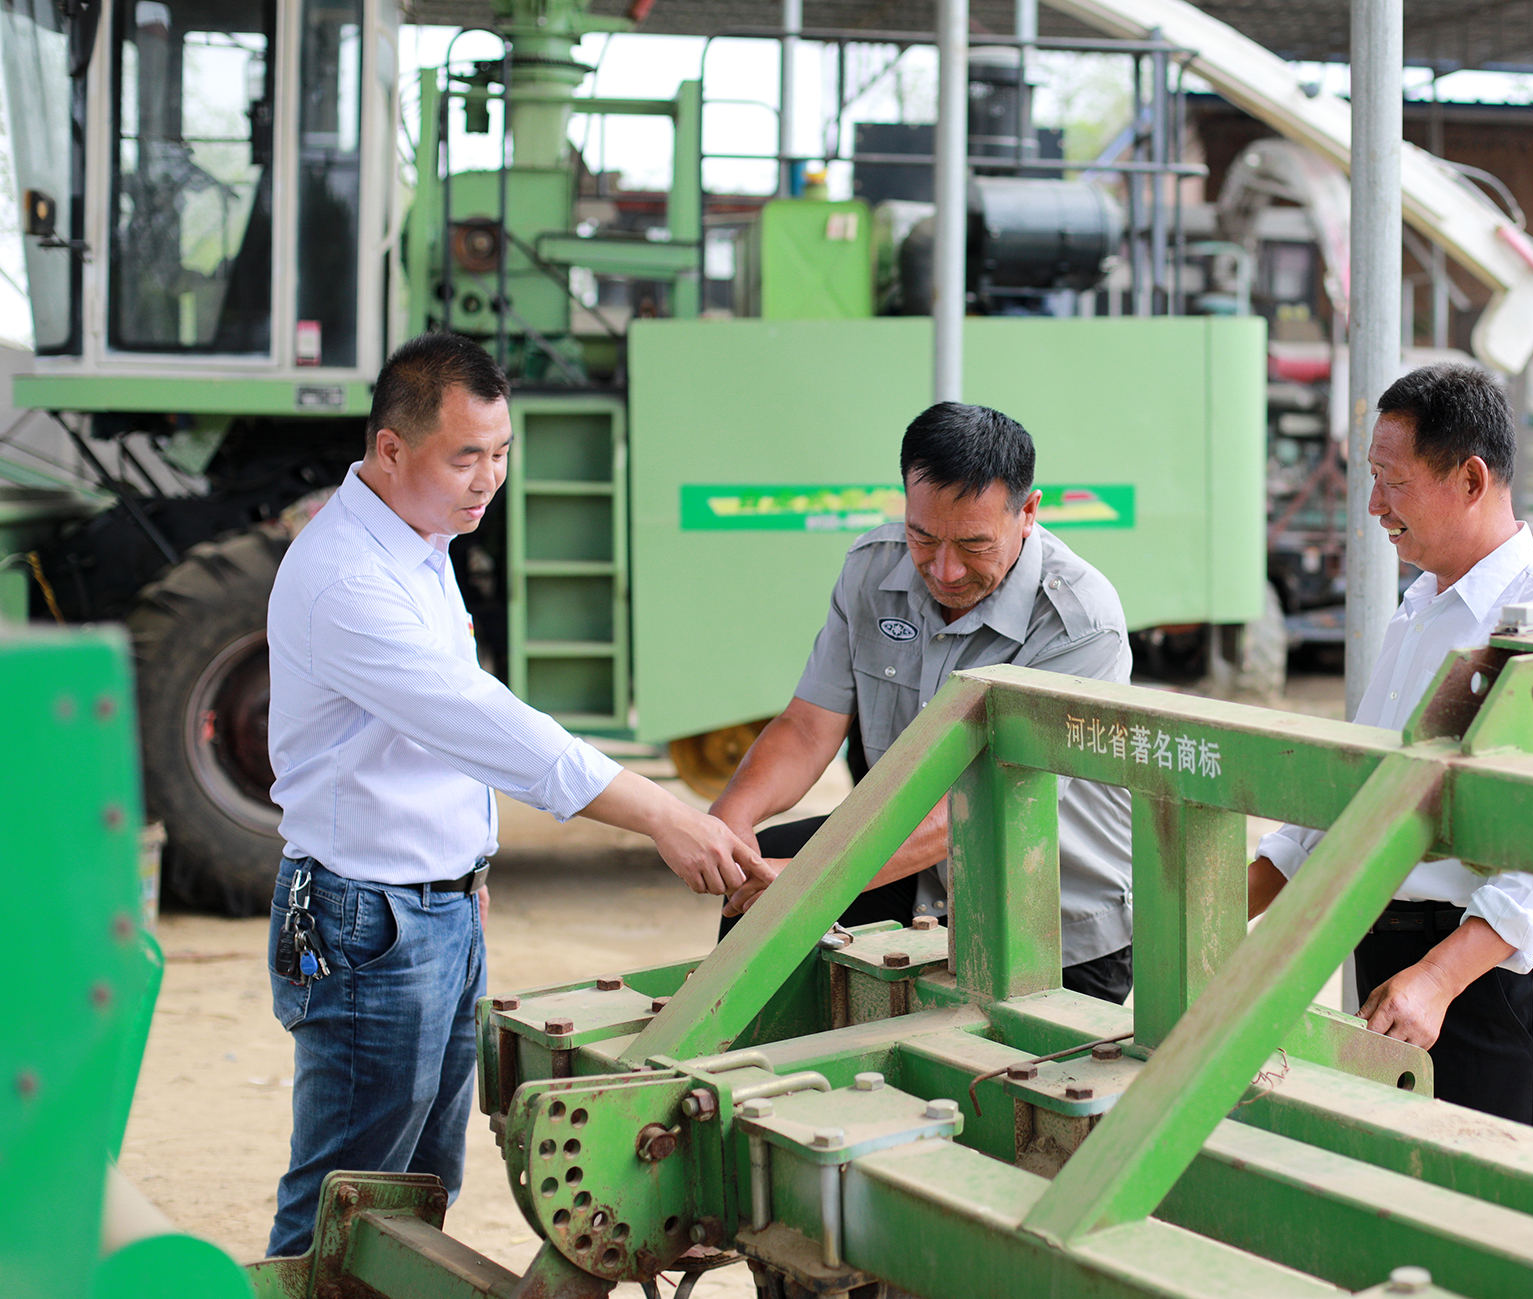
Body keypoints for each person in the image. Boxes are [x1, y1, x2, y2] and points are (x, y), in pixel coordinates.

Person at [262, 333, 768, 1258]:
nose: (489, 479)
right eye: (467, 456)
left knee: (421, 1183)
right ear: (390, 449)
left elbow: (429, 741)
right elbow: (480, 721)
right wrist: (662, 813)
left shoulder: (419, 539)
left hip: (432, 908)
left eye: (501, 453)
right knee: (347, 1196)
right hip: (370, 921)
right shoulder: (347, 579)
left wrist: (466, 869)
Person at [1247, 363, 1533, 1137]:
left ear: (1471, 479)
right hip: (1398, 966)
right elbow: (1364, 785)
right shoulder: (1423, 607)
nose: (1374, 505)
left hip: (1492, 979)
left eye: (1393, 482)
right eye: (1372, 479)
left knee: (1500, 1193)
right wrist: (1231, 899)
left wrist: (1440, 978)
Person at [710, 402, 1135, 1003]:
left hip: (1049, 910)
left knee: (1014, 1070)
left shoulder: (1079, 622)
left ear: (1028, 513)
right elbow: (807, 727)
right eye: (923, 536)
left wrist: (814, 883)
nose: (945, 569)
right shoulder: (871, 570)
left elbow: (983, 801)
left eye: (974, 544)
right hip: (910, 874)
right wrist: (729, 821)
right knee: (762, 879)